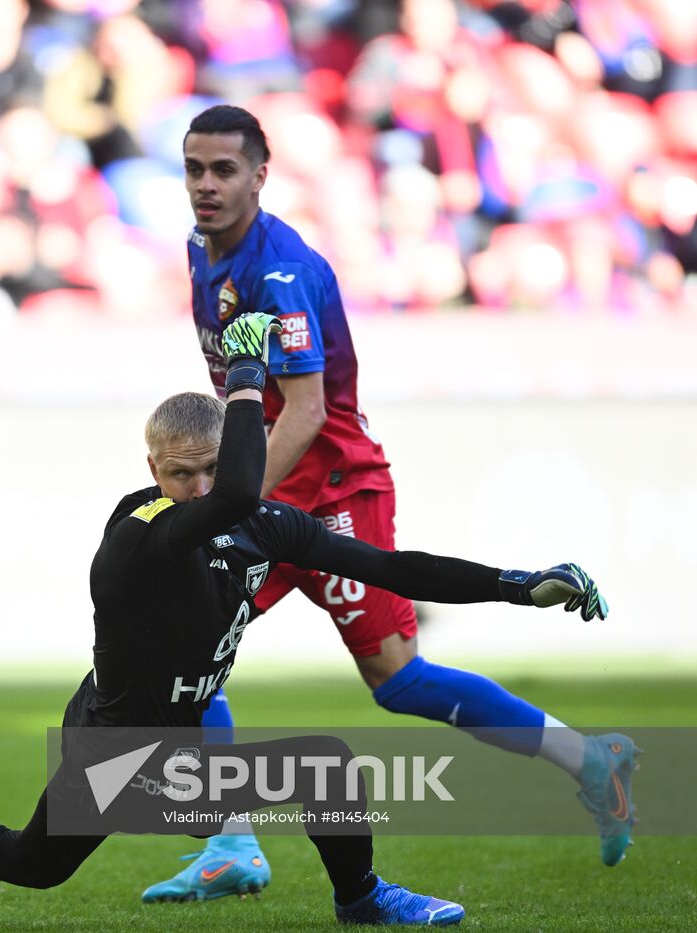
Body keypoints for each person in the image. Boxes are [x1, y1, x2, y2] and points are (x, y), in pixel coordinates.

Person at [0, 311, 616, 929]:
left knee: (33, 860)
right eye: (177, 471)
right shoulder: (140, 533)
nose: (195, 485)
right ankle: (362, 897)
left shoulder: (257, 519)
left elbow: (390, 565)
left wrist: (515, 581)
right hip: (118, 748)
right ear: (152, 465)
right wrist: (253, 380)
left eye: (206, 468)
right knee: (315, 773)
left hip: (171, 740)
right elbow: (237, 494)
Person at [140, 104, 637, 905]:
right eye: (194, 168)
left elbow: (302, 412)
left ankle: (591, 761)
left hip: (332, 490)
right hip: (263, 488)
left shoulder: (279, 271)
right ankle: (231, 841)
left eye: (223, 169)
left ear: (261, 175)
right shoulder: (204, 252)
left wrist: (229, 506)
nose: (205, 184)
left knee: (399, 682)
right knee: (183, 647)